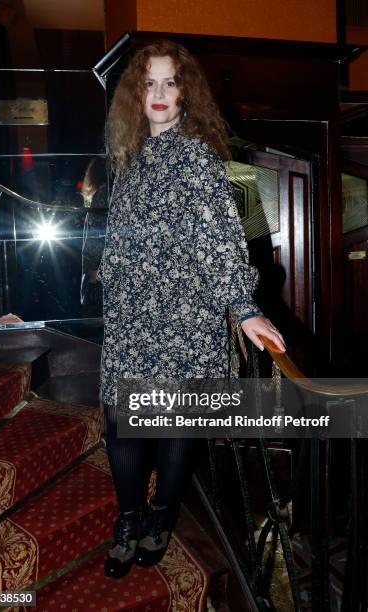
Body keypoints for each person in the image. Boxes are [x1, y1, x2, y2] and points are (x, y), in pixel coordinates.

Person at [98, 39, 285, 580]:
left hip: (185, 318)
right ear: (137, 93)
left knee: (177, 429)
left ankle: (159, 515)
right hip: (134, 317)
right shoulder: (130, 156)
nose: (158, 93)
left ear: (185, 94)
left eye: (169, 82)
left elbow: (222, 237)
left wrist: (243, 307)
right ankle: (129, 517)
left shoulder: (197, 154)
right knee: (121, 423)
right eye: (148, 83)